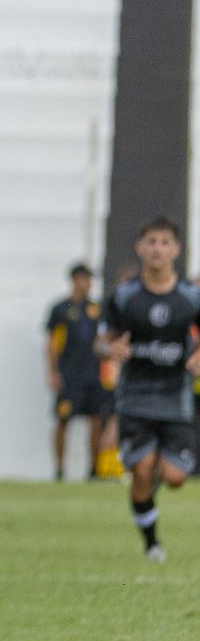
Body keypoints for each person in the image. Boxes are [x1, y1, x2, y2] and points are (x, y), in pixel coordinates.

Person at [99, 217, 200, 563]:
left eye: (164, 242)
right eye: (151, 242)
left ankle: (155, 474)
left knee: (174, 477)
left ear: (176, 250)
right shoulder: (125, 296)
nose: (157, 248)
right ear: (140, 248)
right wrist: (109, 349)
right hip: (136, 398)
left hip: (175, 399)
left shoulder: (191, 297)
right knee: (142, 469)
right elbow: (101, 341)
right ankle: (152, 544)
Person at [43, 264, 111, 481]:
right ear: (74, 280)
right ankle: (60, 470)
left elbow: (105, 339)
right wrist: (53, 372)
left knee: (96, 420)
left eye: (90, 279)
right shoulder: (60, 309)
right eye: (84, 278)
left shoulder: (96, 309)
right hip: (69, 374)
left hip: (93, 374)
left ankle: (94, 470)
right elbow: (52, 344)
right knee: (63, 420)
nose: (88, 283)